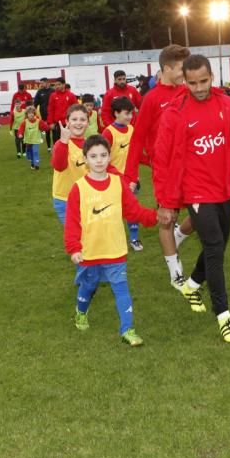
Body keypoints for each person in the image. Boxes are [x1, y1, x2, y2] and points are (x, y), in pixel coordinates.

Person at [154, 55, 230, 343]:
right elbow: (162, 161)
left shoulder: (227, 106)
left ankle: (192, 283)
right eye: (192, 83)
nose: (199, 87)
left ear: (212, 76)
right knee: (214, 247)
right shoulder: (174, 112)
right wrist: (166, 202)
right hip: (196, 191)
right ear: (185, 81)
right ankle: (224, 315)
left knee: (220, 245)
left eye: (203, 81)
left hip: (225, 189)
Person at [64, 135, 159, 347]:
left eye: (103, 155)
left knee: (121, 288)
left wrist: (155, 217)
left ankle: (128, 329)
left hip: (115, 249)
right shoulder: (78, 188)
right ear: (86, 159)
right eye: (93, 156)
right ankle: (81, 312)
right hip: (90, 251)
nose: (99, 160)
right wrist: (74, 248)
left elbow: (133, 211)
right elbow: (72, 222)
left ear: (109, 158)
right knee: (88, 286)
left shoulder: (118, 183)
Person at [124, 44, 194, 290]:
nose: (186, 72)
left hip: (191, 165)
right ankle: (175, 271)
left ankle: (178, 237)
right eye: (181, 68)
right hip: (164, 170)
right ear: (167, 68)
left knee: (202, 213)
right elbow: (138, 138)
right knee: (167, 218)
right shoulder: (151, 99)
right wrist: (130, 174)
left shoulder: (188, 91)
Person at [102, 96, 142, 251]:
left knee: (132, 209)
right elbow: (104, 160)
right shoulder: (108, 133)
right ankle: (111, 239)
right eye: (127, 113)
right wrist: (122, 179)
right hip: (114, 180)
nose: (130, 117)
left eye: (131, 114)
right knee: (112, 210)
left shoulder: (132, 129)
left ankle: (134, 239)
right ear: (116, 113)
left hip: (132, 179)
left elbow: (136, 154)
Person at [51, 104, 91, 223]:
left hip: (87, 197)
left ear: (88, 123)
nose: (78, 123)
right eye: (74, 119)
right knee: (75, 237)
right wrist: (64, 141)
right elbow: (59, 166)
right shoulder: (61, 144)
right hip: (64, 199)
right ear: (67, 121)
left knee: (89, 236)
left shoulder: (90, 145)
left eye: (83, 119)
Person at [46, 79, 78, 144]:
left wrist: (75, 120)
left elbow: (76, 108)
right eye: (56, 85)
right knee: (57, 142)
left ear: (64, 84)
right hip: (57, 123)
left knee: (69, 141)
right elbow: (50, 109)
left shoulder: (71, 95)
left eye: (59, 84)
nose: (57, 86)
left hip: (68, 123)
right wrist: (50, 122)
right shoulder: (53, 96)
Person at [17, 105, 49, 170]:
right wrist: (20, 134)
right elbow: (21, 129)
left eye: (32, 113)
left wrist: (46, 127)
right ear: (27, 114)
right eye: (29, 113)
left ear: (34, 114)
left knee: (35, 151)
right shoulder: (24, 122)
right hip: (28, 141)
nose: (31, 115)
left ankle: (36, 164)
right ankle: (32, 163)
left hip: (36, 140)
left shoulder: (38, 121)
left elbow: (45, 127)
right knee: (29, 153)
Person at [33, 78, 53, 152]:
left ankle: (56, 146)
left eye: (42, 83)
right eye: (40, 83)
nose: (41, 85)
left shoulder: (52, 91)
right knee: (47, 131)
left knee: (55, 132)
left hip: (53, 114)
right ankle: (49, 147)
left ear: (47, 82)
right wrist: (32, 111)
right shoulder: (39, 92)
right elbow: (35, 103)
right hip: (44, 115)